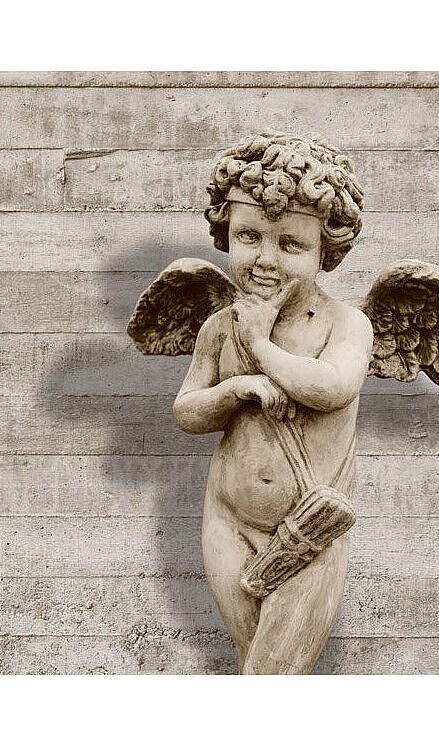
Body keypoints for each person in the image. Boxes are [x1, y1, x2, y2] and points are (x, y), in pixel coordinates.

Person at [172, 132, 374, 674]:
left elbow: (333, 387)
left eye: (290, 245)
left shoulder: (346, 324)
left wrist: (261, 346)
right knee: (254, 662)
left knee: (273, 673)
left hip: (309, 530)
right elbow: (187, 411)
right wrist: (233, 389)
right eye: (249, 236)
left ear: (326, 251)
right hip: (227, 520)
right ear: (226, 234)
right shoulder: (220, 327)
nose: (265, 259)